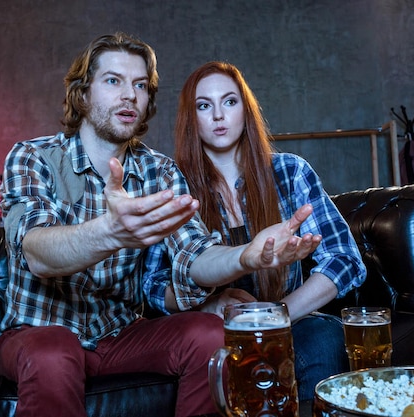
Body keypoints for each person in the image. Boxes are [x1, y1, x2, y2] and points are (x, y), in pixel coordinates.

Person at [0, 34, 322, 417]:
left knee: (209, 333)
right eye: (113, 81)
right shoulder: (32, 156)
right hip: (38, 333)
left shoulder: (160, 171)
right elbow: (37, 253)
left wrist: (245, 257)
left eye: (140, 86)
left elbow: (195, 254)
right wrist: (110, 232)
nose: (130, 95)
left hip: (120, 335)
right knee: (54, 352)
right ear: (82, 95)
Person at [143, 61, 367, 401]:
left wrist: (277, 316)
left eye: (230, 101)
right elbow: (153, 284)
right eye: (204, 105)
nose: (218, 115)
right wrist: (209, 305)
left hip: (290, 321)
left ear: (245, 110)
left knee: (324, 337)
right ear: (192, 118)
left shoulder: (290, 171)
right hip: (215, 332)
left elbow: (344, 260)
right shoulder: (173, 185)